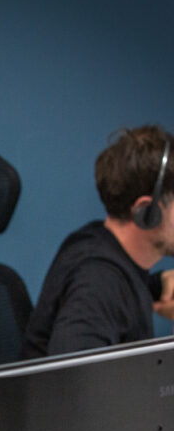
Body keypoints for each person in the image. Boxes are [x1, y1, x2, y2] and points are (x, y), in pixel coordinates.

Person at [23, 125, 174, 359]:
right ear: (147, 210)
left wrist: (159, 284)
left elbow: (124, 294)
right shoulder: (97, 282)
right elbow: (75, 382)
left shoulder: (97, 243)